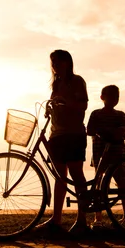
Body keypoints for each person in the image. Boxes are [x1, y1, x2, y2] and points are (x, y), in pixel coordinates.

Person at [37, 49, 89, 234]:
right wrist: (50, 108)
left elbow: (83, 105)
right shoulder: (56, 84)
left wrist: (65, 102)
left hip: (74, 134)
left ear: (68, 62)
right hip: (57, 134)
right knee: (60, 178)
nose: (55, 66)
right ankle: (56, 219)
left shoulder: (77, 81)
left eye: (57, 62)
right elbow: (57, 105)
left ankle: (82, 220)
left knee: (76, 175)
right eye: (52, 63)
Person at [86, 85, 125, 228]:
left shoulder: (120, 115)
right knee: (97, 185)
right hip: (100, 154)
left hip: (117, 155)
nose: (113, 99)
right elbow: (90, 130)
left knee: (122, 183)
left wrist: (104, 132)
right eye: (110, 96)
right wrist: (109, 133)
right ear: (102, 97)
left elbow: (122, 132)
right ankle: (98, 218)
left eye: (116, 96)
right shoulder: (96, 114)